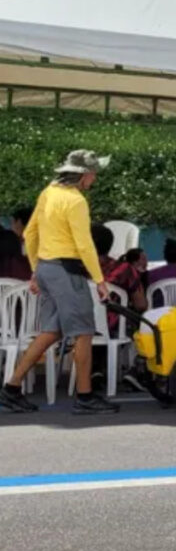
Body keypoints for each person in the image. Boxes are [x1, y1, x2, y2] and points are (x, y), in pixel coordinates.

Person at [1, 150, 117, 415]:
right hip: (67, 271)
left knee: (51, 330)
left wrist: (35, 270)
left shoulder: (48, 192)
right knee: (84, 331)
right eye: (93, 174)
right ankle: (85, 396)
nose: (94, 179)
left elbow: (30, 233)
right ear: (83, 175)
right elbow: (84, 244)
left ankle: (11, 388)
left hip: (46, 267)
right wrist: (100, 280)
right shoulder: (76, 201)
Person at [107, 248, 148, 313]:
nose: (146, 261)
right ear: (135, 262)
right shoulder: (131, 275)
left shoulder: (116, 271)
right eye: (143, 259)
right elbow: (141, 306)